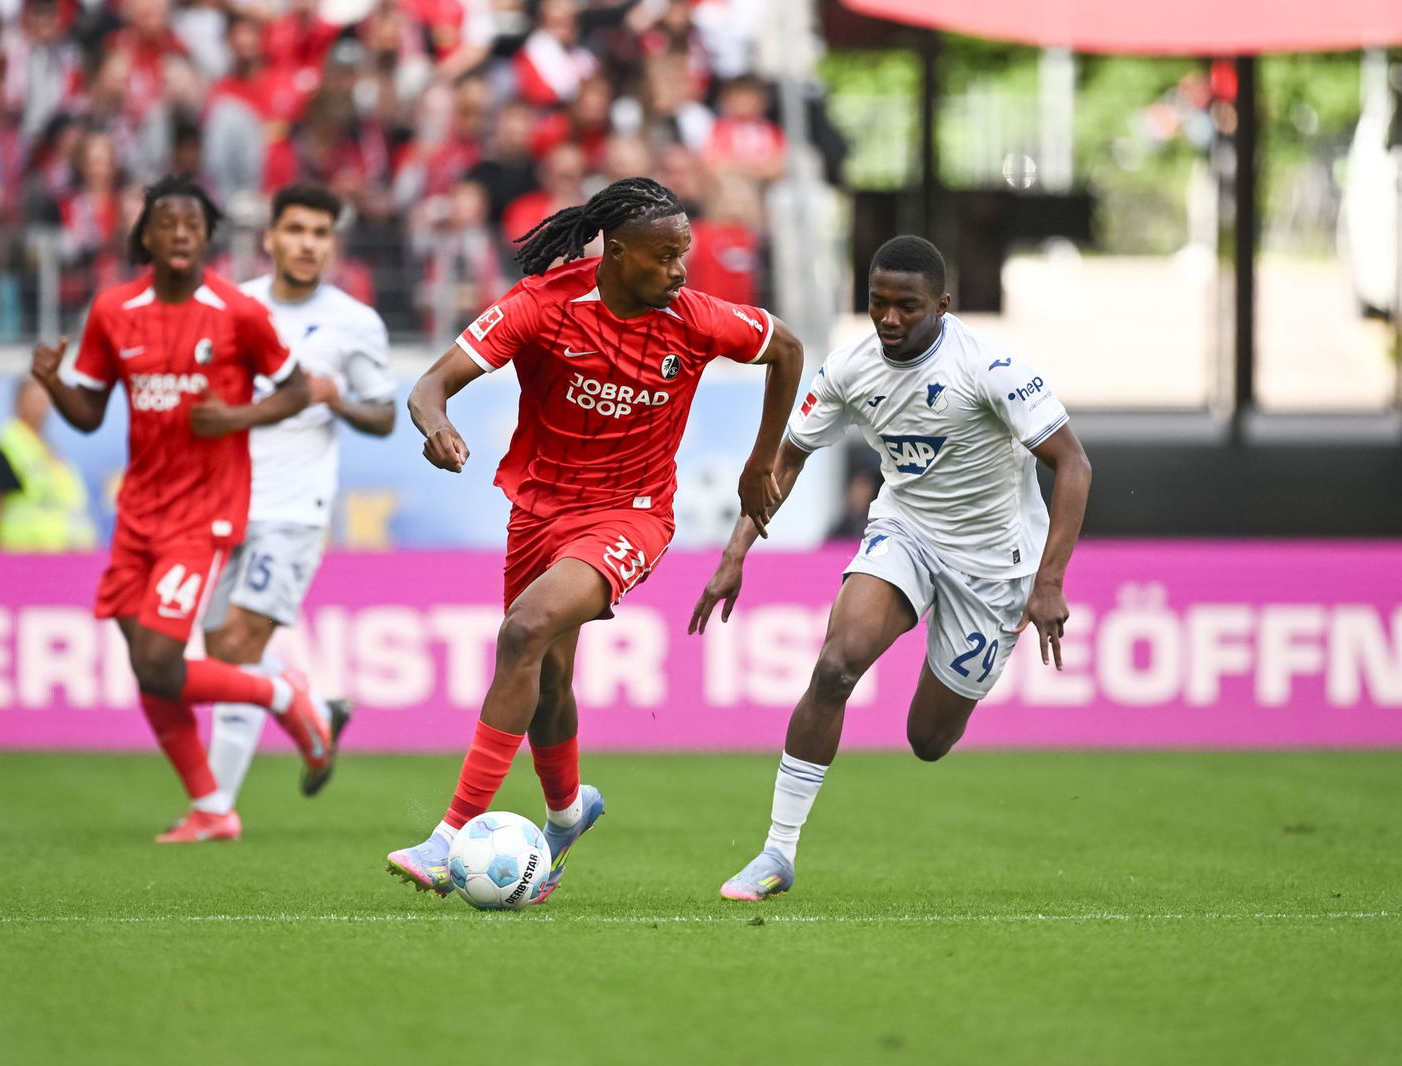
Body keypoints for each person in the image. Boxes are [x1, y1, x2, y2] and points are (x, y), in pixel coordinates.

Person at [387, 176, 803, 901]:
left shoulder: (697, 318)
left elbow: (787, 351)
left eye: (685, 254)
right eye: (664, 256)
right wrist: (437, 427)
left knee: (524, 630)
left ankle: (450, 835)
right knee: (546, 676)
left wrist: (762, 458)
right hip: (538, 509)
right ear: (613, 252)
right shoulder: (542, 308)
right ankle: (567, 811)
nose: (679, 270)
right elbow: (429, 386)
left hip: (632, 512)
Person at [689, 236, 1093, 901]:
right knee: (834, 665)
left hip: (995, 566)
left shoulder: (989, 367)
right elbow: (785, 460)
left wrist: (1049, 581)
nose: (890, 319)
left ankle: (952, 672)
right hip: (905, 533)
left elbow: (1074, 464)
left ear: (942, 304)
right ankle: (777, 852)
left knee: (927, 740)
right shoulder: (849, 368)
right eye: (878, 303)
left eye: (907, 306)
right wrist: (736, 552)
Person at [31, 175, 331, 844]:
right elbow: (88, 416)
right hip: (138, 510)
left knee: (162, 662)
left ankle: (283, 695)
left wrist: (237, 416)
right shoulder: (113, 310)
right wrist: (54, 385)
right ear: (146, 234)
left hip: (205, 511)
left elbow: (297, 390)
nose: (180, 234)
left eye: (193, 226)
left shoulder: (237, 313)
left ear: (208, 238)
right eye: (168, 223)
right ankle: (212, 809)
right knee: (147, 667)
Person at [201, 183, 397, 814]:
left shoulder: (354, 322)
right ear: (270, 237)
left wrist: (335, 397)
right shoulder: (232, 306)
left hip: (294, 509)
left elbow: (385, 415)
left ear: (332, 244)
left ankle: (215, 807)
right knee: (218, 651)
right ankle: (311, 709)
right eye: (296, 231)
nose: (308, 244)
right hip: (224, 501)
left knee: (237, 648)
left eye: (320, 233)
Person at [0, 377, 95, 551]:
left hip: (61, 555)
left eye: (45, 399)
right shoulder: (8, 448)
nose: (41, 405)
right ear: (18, 402)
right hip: (24, 557)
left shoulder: (46, 447)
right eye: (35, 399)